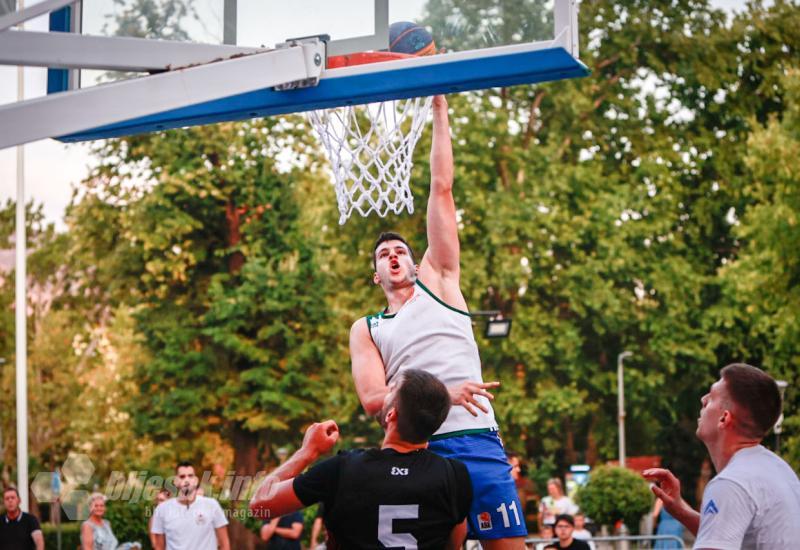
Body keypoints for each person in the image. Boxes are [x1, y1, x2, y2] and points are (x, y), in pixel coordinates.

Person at [349, 94, 526, 548]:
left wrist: (440, 111)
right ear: (376, 274)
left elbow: (441, 187)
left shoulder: (441, 279)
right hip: (417, 448)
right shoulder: (368, 327)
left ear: (416, 261)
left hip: (474, 438)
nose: (394, 255)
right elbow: (372, 401)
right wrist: (441, 395)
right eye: (384, 254)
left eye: (401, 251)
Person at [250, 369, 473, 549]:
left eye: (391, 390)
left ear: (391, 414)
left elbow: (260, 505)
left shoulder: (343, 469)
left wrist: (307, 452)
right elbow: (454, 543)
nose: (385, 393)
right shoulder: (455, 476)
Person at [643, 363, 800, 549]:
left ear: (724, 418)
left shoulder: (731, 483)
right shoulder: (778, 469)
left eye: (711, 397)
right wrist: (681, 510)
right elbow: (724, 536)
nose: (702, 400)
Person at [150, 462, 230, 550]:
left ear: (196, 480)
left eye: (190, 476)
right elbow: (159, 547)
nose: (187, 479)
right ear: (175, 481)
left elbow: (224, 544)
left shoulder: (212, 505)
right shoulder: (162, 509)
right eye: (182, 476)